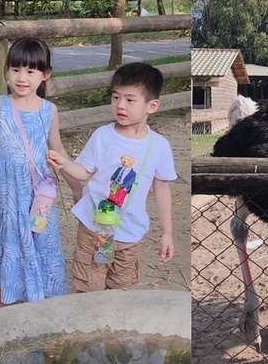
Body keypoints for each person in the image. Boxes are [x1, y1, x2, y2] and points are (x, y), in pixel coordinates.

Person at [0, 38, 74, 308]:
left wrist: (76, 185)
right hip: (1, 193)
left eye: (31, 71)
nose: (22, 78)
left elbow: (57, 147)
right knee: (1, 241)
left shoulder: (49, 110)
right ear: (7, 71)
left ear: (45, 74)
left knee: (36, 242)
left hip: (35, 194)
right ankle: (1, 309)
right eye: (15, 70)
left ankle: (34, 300)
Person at [47, 62, 177, 293]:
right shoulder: (103, 136)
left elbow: (162, 190)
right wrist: (65, 163)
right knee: (89, 287)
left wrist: (167, 233)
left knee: (122, 291)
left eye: (130, 99)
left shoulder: (159, 146)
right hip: (93, 228)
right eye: (115, 97)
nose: (120, 105)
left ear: (152, 105)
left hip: (129, 233)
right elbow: (84, 172)